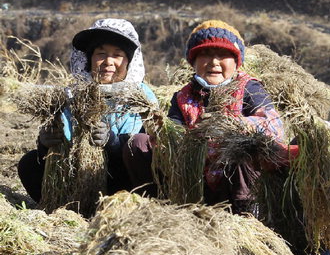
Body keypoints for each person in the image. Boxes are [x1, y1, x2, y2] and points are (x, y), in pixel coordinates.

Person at [125, 20, 284, 214]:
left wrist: (235, 125)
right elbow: (174, 133)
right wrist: (164, 131)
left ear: (236, 62)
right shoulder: (183, 96)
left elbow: (273, 125)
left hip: (233, 182)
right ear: (193, 62)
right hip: (194, 179)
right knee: (139, 143)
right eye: (205, 54)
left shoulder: (249, 88)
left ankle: (247, 215)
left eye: (223, 55)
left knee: (244, 147)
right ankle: (156, 207)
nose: (214, 62)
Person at [17, 18, 158, 207]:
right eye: (101, 53)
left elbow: (147, 153)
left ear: (129, 62)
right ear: (89, 59)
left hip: (122, 183)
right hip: (78, 178)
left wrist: (113, 143)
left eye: (117, 55)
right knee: (29, 164)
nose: (108, 62)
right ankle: (66, 206)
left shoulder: (141, 98)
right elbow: (63, 151)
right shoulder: (72, 96)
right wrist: (46, 144)